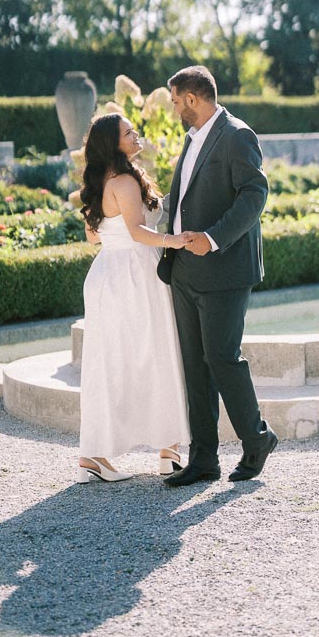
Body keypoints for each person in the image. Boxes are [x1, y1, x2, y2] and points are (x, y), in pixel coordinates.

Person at [158, 65, 278, 485]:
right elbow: (187, 197)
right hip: (184, 271)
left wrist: (212, 238)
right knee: (195, 365)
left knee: (222, 358)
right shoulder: (191, 139)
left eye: (175, 101)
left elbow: (254, 195)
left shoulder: (237, 135)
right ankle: (204, 459)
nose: (173, 109)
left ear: (192, 98)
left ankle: (257, 439)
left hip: (225, 268)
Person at [76, 112, 190, 483]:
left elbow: (95, 237)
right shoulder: (123, 180)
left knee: (111, 362)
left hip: (109, 273)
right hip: (134, 274)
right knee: (154, 353)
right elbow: (138, 232)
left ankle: (95, 454)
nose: (136, 134)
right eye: (128, 132)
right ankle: (168, 449)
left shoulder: (98, 182)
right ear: (114, 143)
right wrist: (173, 241)